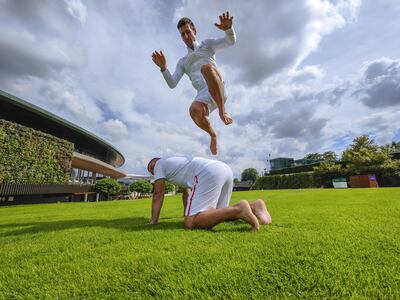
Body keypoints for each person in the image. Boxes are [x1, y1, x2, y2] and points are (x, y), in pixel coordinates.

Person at [152, 12, 236, 155]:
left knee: (206, 68)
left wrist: (228, 29)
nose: (186, 37)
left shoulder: (207, 45)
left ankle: (222, 112)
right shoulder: (183, 62)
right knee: (193, 110)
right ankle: (213, 135)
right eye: (182, 34)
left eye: (188, 32)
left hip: (217, 87)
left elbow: (230, 41)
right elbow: (172, 84)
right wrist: (163, 68)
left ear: (194, 31)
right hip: (203, 95)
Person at [147, 156, 272, 231]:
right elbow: (186, 192)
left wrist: (153, 221)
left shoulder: (159, 164)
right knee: (218, 214)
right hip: (224, 169)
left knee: (190, 223)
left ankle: (240, 209)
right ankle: (255, 207)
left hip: (208, 173)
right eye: (151, 171)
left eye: (151, 168)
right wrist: (187, 213)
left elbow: (158, 194)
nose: (152, 172)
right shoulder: (175, 165)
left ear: (155, 162)